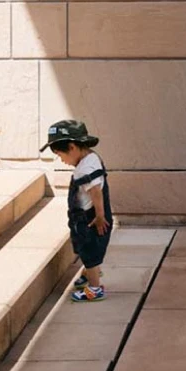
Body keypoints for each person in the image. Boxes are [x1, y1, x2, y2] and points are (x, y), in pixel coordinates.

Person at [41, 120, 112, 302]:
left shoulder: (84, 169)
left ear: (72, 147)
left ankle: (95, 288)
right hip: (89, 214)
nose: (62, 160)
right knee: (88, 248)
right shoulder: (91, 158)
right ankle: (90, 273)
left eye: (60, 155)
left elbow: (96, 192)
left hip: (90, 217)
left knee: (89, 251)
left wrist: (99, 216)